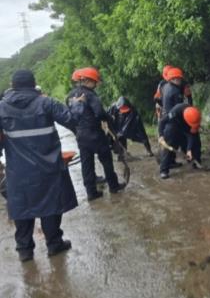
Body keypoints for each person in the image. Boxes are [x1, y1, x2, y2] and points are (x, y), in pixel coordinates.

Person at [0, 70, 83, 261]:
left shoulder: (2, 108)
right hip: (49, 169)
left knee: (22, 208)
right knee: (51, 206)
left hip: (18, 172)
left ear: (12, 86)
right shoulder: (47, 103)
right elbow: (72, 120)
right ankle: (54, 244)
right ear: (33, 84)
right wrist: (76, 105)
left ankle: (24, 250)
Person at [66, 67, 126, 201]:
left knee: (87, 164)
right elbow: (99, 113)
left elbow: (69, 117)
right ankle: (113, 186)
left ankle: (91, 192)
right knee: (106, 160)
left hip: (81, 135)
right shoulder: (90, 95)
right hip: (95, 134)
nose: (96, 85)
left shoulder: (70, 96)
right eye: (94, 82)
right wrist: (108, 120)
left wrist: (77, 131)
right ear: (87, 81)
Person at [158, 104, 201, 179]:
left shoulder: (194, 114)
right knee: (170, 144)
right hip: (173, 125)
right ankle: (164, 170)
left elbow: (192, 135)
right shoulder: (174, 113)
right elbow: (162, 122)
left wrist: (189, 150)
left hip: (186, 126)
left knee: (196, 141)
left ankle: (195, 160)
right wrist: (161, 136)